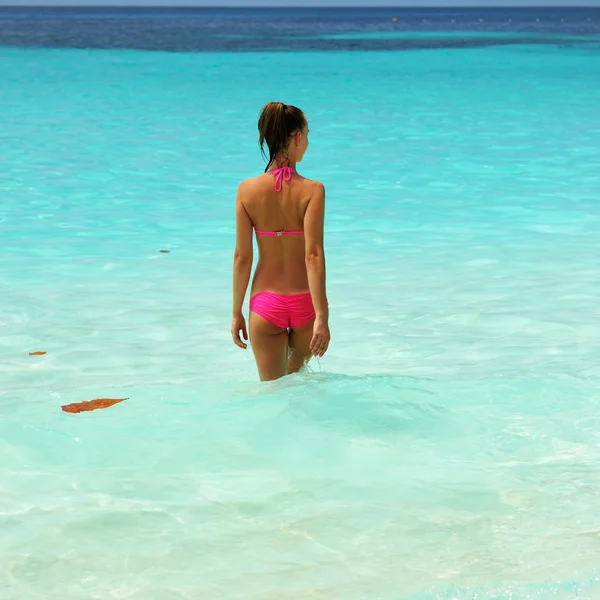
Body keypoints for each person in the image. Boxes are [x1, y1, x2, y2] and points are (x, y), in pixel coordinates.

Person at [231, 101, 330, 381]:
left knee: (272, 392)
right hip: (305, 304)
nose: (308, 142)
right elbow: (313, 256)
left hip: (265, 304)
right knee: (296, 381)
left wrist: (237, 311)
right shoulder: (313, 190)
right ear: (297, 138)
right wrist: (321, 318)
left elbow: (242, 257)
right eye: (308, 134)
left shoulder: (246, 190)